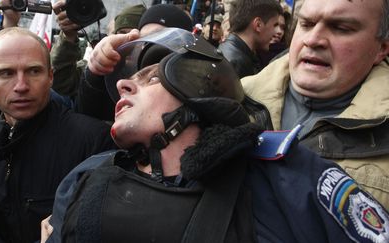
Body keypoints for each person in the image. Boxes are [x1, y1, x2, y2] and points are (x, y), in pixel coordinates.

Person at [41, 28, 389, 243]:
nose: (121, 84)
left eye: (151, 78)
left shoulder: (287, 179)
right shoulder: (85, 177)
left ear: (198, 86)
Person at [0, 27, 116, 242]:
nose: (21, 86)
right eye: (6, 73)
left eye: (34, 71)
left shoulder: (94, 143)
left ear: (50, 77)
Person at [241, 0, 389, 210]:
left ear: (381, 48)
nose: (313, 39)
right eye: (307, 24)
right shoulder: (234, 98)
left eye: (341, 28)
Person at [73, 3, 193, 122]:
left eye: (159, 37)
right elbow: (90, 118)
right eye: (144, 39)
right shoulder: (127, 83)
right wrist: (95, 74)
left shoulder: (197, 91)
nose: (149, 47)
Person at [218, 0, 282, 78]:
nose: (278, 31)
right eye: (275, 25)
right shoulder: (237, 64)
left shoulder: (235, 54)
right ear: (258, 25)